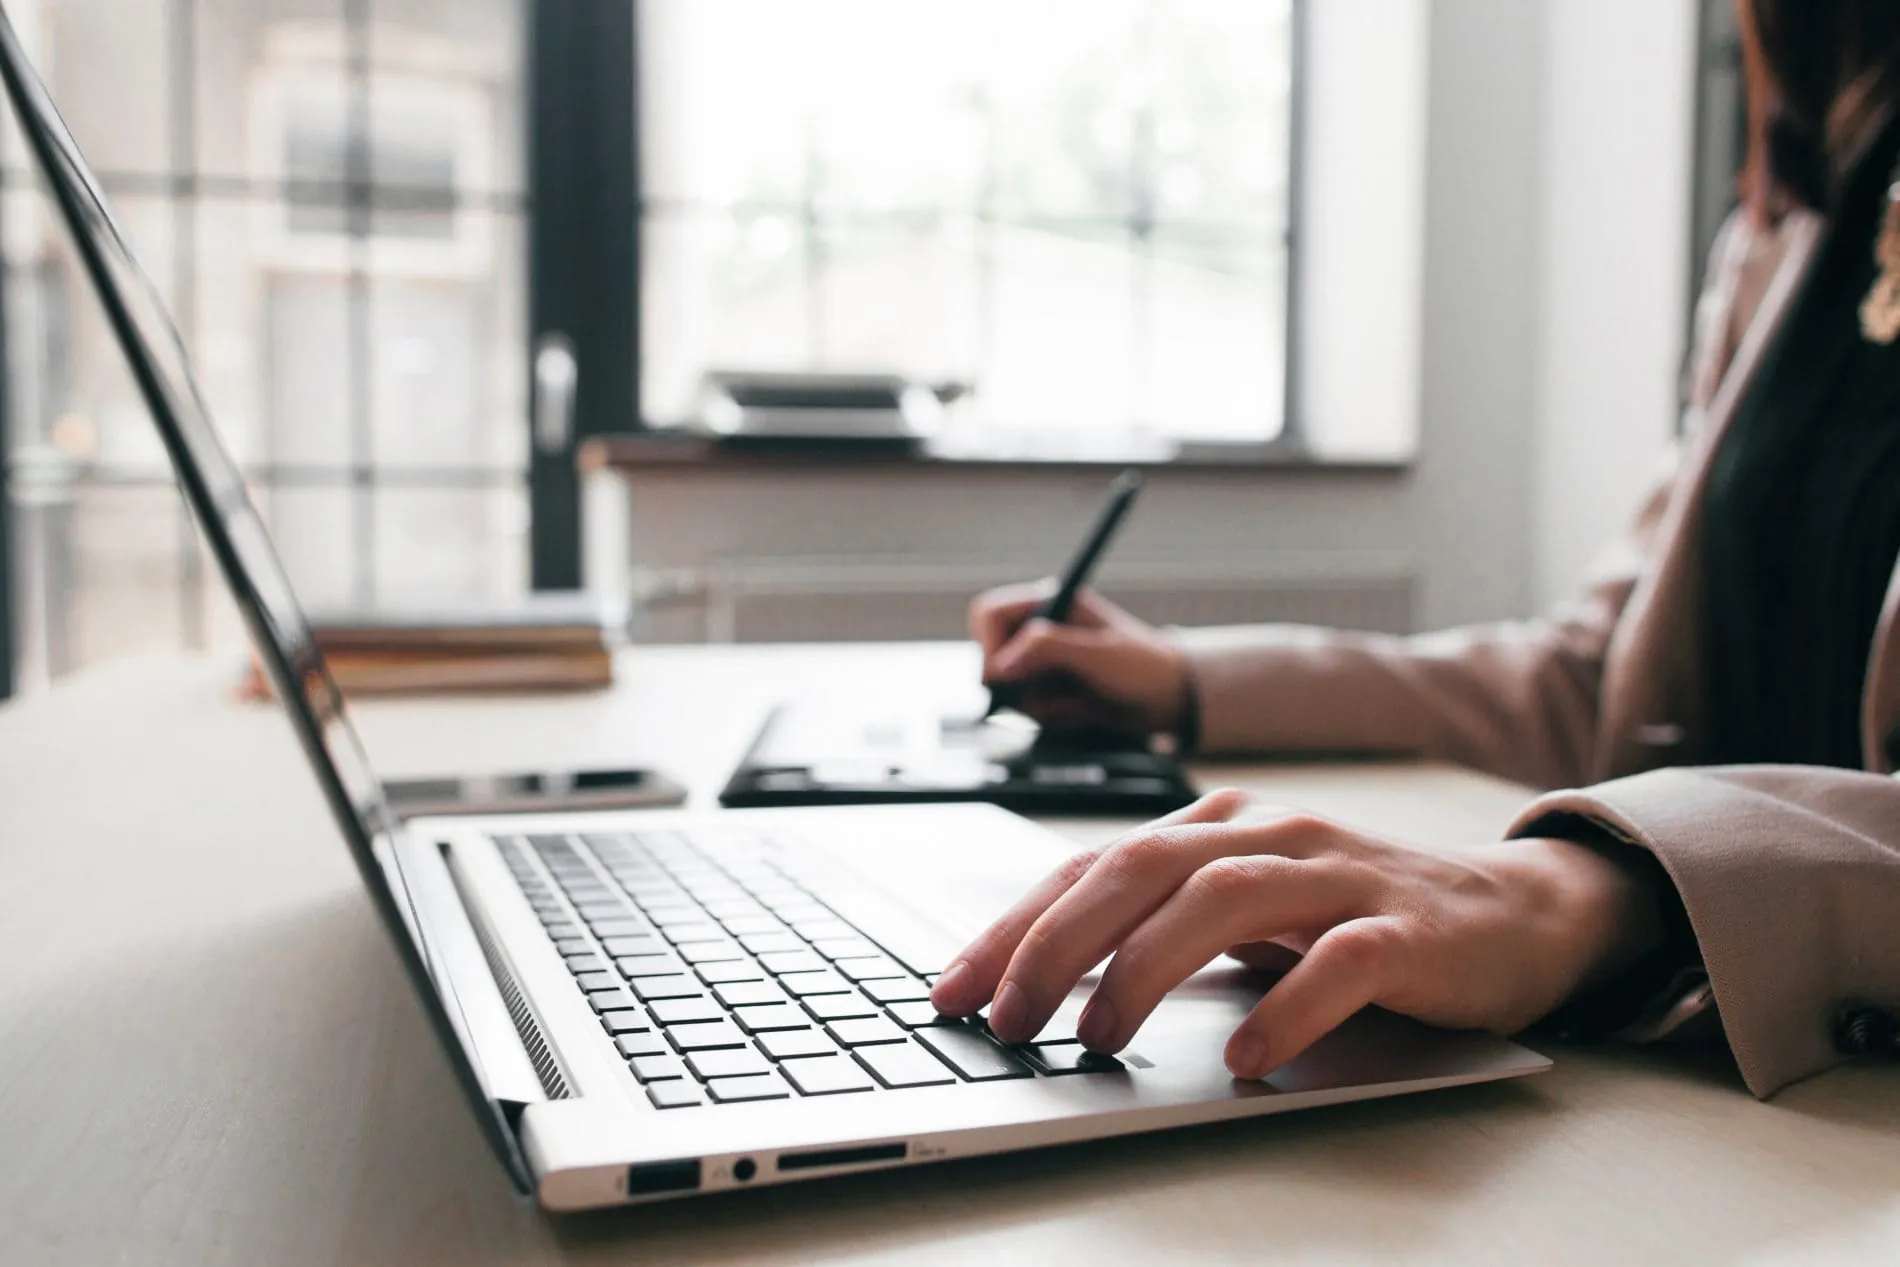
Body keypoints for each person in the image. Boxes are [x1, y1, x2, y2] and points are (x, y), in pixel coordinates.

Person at [929, 0, 1900, 1099]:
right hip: (1694, 1070)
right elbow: (1599, 680)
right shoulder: (1798, 220)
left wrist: (1590, 892)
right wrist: (1187, 681)